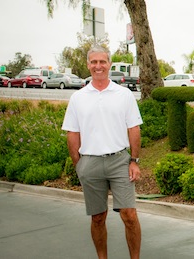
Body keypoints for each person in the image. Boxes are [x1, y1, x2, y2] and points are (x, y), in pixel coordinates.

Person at [62, 45, 143, 259]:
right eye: (94, 62)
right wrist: (79, 164)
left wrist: (134, 161)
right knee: (98, 217)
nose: (98, 66)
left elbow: (134, 129)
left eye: (102, 62)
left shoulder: (123, 95)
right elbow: (72, 133)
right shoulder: (78, 98)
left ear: (109, 64)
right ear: (88, 65)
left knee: (129, 215)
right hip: (90, 163)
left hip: (119, 161)